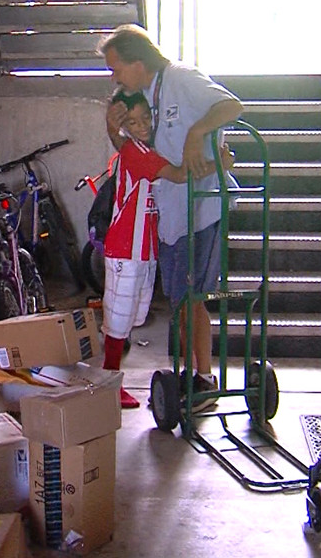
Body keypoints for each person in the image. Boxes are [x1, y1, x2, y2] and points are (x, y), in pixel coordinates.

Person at [100, 24, 243, 412]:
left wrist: (198, 134)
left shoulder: (181, 78)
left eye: (117, 68)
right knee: (180, 298)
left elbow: (232, 106)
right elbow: (136, 151)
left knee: (192, 297)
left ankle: (204, 378)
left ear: (138, 60)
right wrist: (113, 129)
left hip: (201, 208)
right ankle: (192, 374)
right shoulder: (142, 94)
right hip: (173, 210)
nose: (115, 76)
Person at [99, 90, 190, 409]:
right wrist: (216, 163)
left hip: (145, 250)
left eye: (146, 119)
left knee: (132, 318)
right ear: (123, 126)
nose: (143, 126)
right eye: (133, 122)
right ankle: (109, 383)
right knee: (118, 323)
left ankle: (111, 379)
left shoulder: (149, 148)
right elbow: (179, 175)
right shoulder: (136, 153)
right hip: (125, 249)